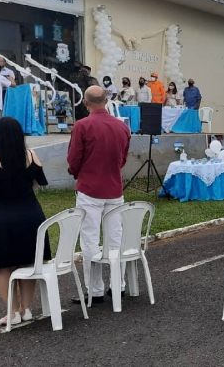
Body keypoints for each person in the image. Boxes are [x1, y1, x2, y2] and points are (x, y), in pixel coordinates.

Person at [68, 86, 131, 304]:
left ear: (85, 103)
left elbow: (74, 159)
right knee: (115, 239)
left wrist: (80, 174)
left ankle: (95, 290)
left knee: (90, 241)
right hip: (114, 188)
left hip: (89, 189)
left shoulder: (82, 125)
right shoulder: (122, 127)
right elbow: (123, 159)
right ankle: (118, 285)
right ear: (106, 101)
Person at [0, 118, 50, 326]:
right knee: (28, 263)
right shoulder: (32, 156)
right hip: (31, 217)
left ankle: (12, 311)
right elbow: (36, 184)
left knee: (4, 267)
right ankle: (26, 309)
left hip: (0, 220)